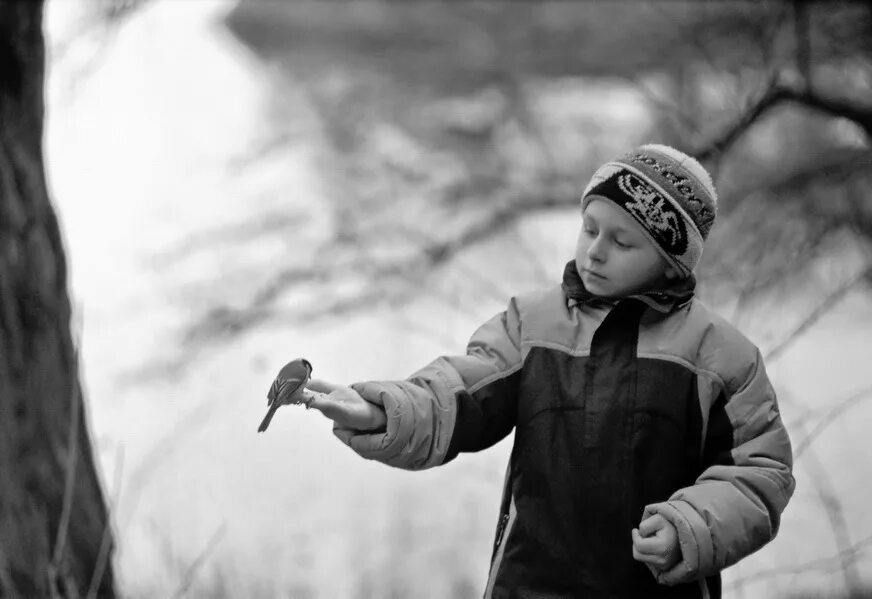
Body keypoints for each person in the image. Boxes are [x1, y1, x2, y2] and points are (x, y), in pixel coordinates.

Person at [300, 144, 795, 598]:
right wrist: (385, 411)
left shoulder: (723, 358)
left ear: (671, 264)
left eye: (623, 243)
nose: (596, 250)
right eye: (590, 228)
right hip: (529, 586)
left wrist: (690, 529)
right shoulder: (532, 325)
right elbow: (461, 391)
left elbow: (759, 473)